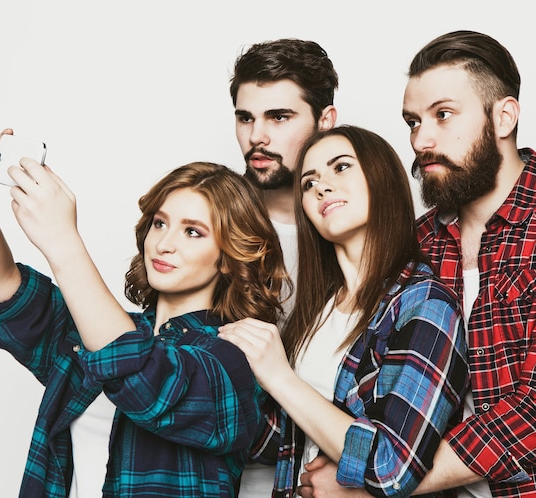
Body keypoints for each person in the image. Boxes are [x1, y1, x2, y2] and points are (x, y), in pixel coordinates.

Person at [0, 128, 290, 497]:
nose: (164, 243)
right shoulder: (94, 329)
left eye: (193, 232)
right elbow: (2, 288)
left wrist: (64, 242)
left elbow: (143, 376)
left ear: (227, 257)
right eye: (160, 223)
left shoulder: (234, 360)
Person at [298, 30, 536, 498]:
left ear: (504, 116)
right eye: (412, 121)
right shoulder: (417, 241)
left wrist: (367, 486)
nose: (421, 139)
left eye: (443, 115)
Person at [219, 125, 469, 497]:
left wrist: (280, 376)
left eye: (340, 167)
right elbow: (278, 440)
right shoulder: (315, 311)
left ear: (381, 178)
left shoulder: (426, 305)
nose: (321, 187)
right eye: (308, 182)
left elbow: (392, 468)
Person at [229, 37, 339, 496]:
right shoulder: (209, 218)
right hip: (215, 471)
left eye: (279, 117)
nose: (258, 136)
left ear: (325, 121)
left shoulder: (354, 230)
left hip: (322, 474)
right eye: (246, 117)